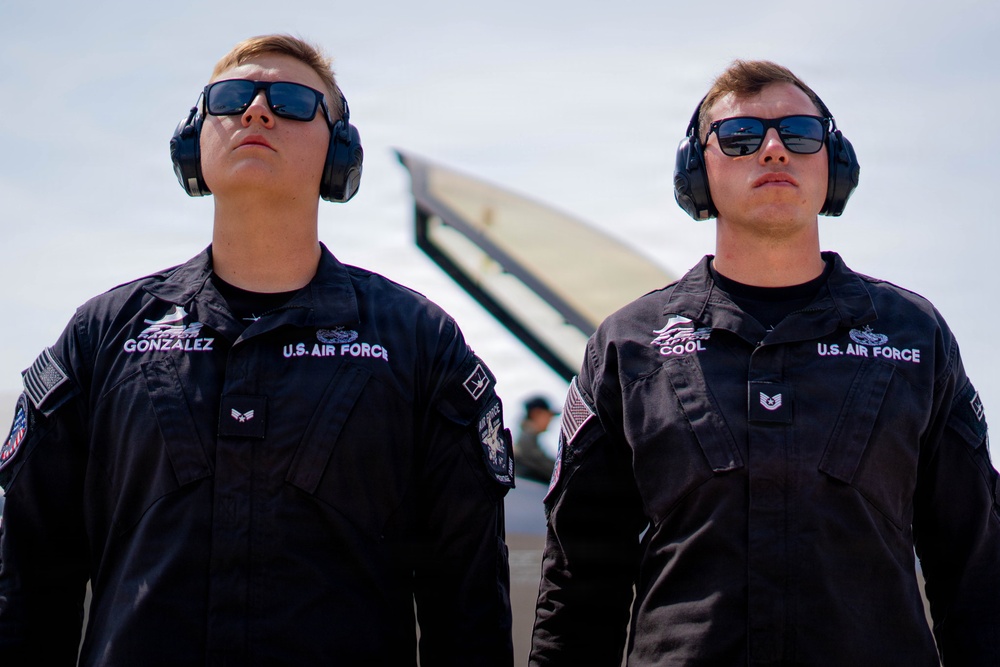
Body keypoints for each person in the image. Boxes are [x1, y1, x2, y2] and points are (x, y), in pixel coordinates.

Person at [0, 34, 515, 666]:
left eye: (294, 101)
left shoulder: (418, 343)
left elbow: (466, 607)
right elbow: (27, 579)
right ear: (195, 140)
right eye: (232, 97)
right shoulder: (102, 334)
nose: (257, 111)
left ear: (339, 152)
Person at [530, 60, 999, 666]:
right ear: (697, 171)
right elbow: (578, 582)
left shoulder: (915, 336)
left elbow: (976, 566)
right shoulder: (628, 346)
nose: (775, 151)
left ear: (835, 162)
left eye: (800, 134)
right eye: (741, 137)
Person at [513, 395, 558, 484]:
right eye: (548, 415)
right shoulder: (526, 442)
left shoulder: (528, 439)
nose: (550, 420)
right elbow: (549, 469)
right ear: (536, 413)